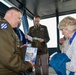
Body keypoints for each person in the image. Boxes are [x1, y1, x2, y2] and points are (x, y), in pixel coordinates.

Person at [0, 7, 35, 75]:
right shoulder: (4, 28)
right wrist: (27, 65)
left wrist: (20, 48)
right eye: (19, 18)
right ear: (12, 14)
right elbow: (8, 59)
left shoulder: (9, 29)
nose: (19, 21)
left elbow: (7, 49)